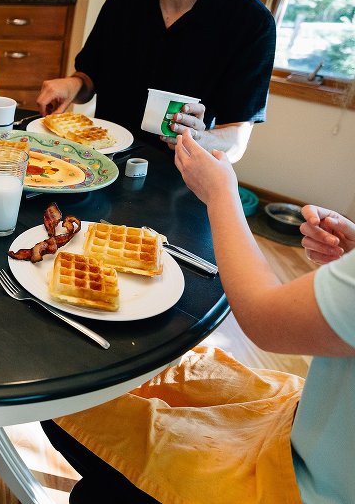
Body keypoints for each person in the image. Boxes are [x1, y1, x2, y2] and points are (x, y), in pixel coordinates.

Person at [42, 129, 355, 503]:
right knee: (136, 372)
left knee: (71, 402)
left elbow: (264, 319)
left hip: (300, 486)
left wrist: (222, 194)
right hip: (304, 421)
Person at [36, 0, 276, 162]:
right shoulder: (121, 3)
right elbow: (90, 78)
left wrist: (198, 138)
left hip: (180, 181)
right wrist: (73, 84)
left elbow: (235, 143)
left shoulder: (252, 21)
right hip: (103, 163)